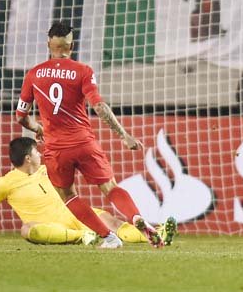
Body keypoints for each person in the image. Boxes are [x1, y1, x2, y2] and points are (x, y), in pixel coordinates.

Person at [16, 22, 164, 249]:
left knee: (69, 196)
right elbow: (99, 106)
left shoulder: (34, 74)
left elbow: (21, 117)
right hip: (85, 143)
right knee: (110, 187)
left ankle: (109, 238)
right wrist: (123, 135)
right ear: (71, 46)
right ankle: (135, 218)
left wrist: (39, 129)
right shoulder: (82, 70)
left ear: (48, 44)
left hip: (57, 149)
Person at [0, 137, 179, 247]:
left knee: (114, 223)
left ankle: (158, 233)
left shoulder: (49, 169)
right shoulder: (3, 183)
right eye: (36, 150)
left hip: (77, 214)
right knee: (27, 230)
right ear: (27, 158)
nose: (39, 153)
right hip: (51, 226)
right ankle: (83, 236)